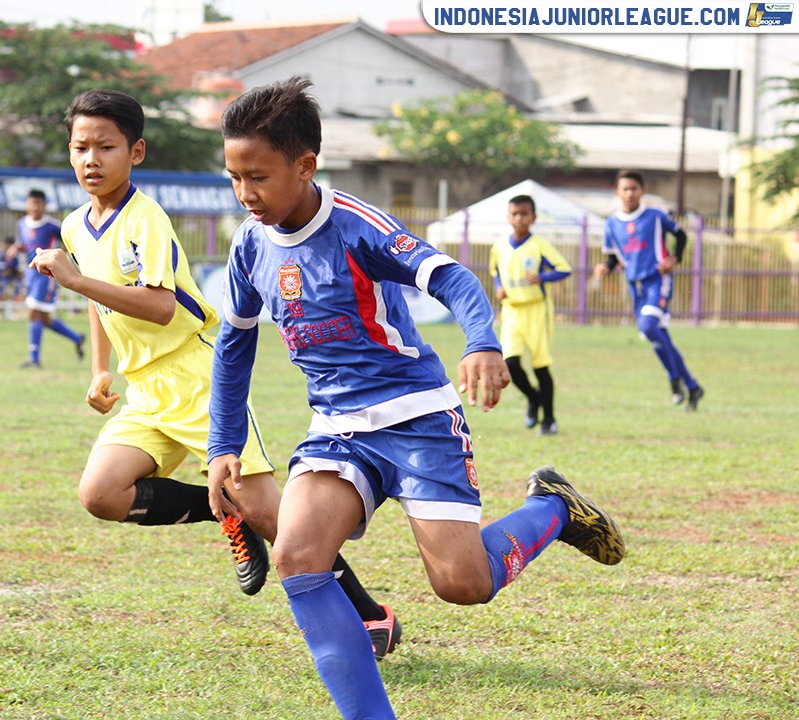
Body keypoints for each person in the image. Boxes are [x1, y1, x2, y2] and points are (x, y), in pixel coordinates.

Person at [207, 77, 626, 718]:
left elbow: (451, 277)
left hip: (418, 418)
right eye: (235, 177)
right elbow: (233, 345)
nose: (245, 194)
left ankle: (553, 510)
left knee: (462, 584)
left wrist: (482, 341)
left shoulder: (356, 227)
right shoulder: (248, 246)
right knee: (297, 555)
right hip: (337, 428)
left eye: (257, 177)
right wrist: (222, 445)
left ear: (305, 165)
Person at [28, 88, 401, 658]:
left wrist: (73, 281)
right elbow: (100, 303)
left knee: (278, 519)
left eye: (106, 146)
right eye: (81, 147)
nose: (91, 160)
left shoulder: (143, 218)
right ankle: (225, 513)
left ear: (137, 152)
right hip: (145, 390)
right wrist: (101, 370)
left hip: (197, 379)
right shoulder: (76, 226)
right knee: (101, 493)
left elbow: (158, 305)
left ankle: (372, 615)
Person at [594, 169, 705, 411]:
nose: (630, 193)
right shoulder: (612, 223)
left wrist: (673, 259)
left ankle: (674, 379)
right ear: (617, 192)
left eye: (634, 188)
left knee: (648, 327)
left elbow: (681, 235)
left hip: (658, 280)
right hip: (635, 286)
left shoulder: (655, 216)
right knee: (658, 337)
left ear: (641, 191)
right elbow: (612, 256)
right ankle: (692, 386)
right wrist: (606, 268)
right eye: (625, 189)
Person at [488, 195, 571, 435]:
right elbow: (496, 273)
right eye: (515, 214)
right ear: (508, 217)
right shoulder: (499, 247)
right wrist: (498, 287)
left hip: (537, 310)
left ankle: (549, 419)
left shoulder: (539, 245)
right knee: (510, 362)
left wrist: (542, 277)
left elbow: (564, 269)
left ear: (533, 217)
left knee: (540, 367)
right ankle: (533, 399)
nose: (519, 218)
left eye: (524, 213)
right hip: (512, 310)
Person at [18, 189, 85, 368]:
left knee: (33, 313)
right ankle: (77, 338)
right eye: (31, 203)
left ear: (44, 206)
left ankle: (34, 359)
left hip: (45, 276)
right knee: (44, 319)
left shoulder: (52, 226)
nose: (34, 207)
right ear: (26, 204)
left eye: (38, 203)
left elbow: (70, 241)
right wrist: (15, 249)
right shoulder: (22, 224)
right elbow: (26, 245)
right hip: (31, 275)